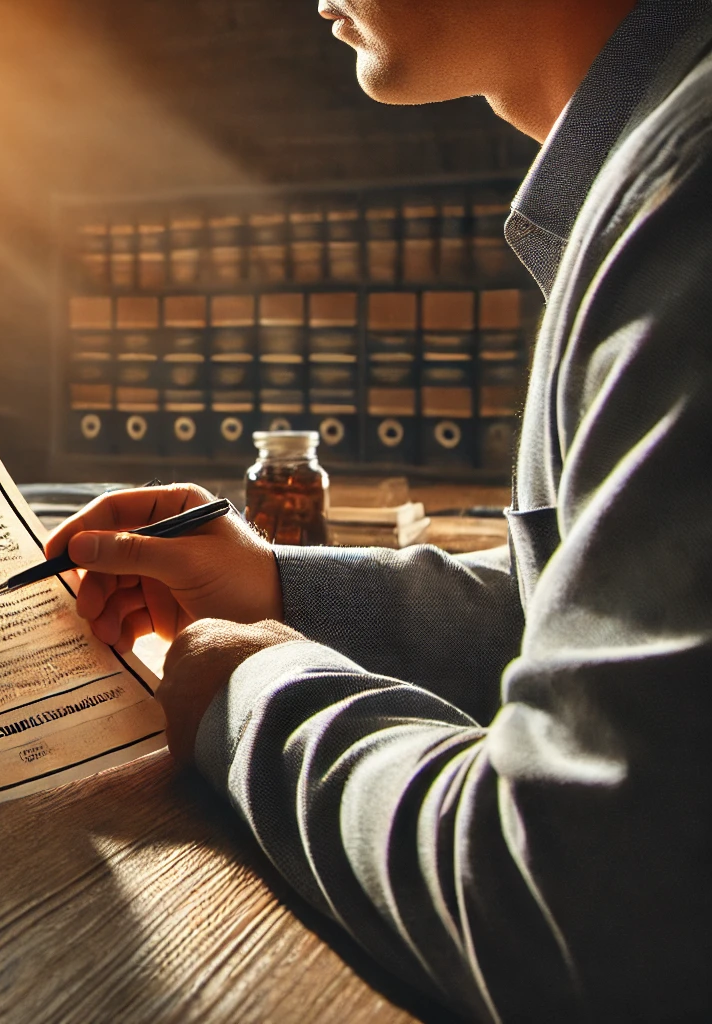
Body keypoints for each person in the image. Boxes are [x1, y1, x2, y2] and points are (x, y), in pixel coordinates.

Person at [47, 1, 710, 1019]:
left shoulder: (686, 189)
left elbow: (572, 907)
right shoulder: (645, 161)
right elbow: (612, 620)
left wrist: (250, 689)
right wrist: (281, 589)